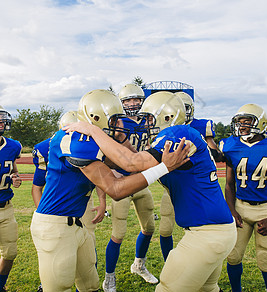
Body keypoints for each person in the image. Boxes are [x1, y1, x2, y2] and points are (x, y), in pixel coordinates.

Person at [63, 91, 237, 292]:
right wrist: (119, 140)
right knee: (208, 289)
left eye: (148, 119)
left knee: (167, 288)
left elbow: (132, 163)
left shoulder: (178, 133)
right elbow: (137, 161)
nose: (144, 124)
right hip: (214, 229)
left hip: (208, 233)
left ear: (167, 117)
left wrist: (93, 131)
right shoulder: (179, 135)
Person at [30, 89, 189, 292]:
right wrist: (163, 167)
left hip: (77, 224)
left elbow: (132, 163)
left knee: (90, 285)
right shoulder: (78, 140)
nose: (120, 124)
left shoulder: (92, 140)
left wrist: (121, 137)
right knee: (58, 288)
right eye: (115, 120)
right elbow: (116, 188)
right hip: (55, 225)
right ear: (95, 118)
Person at [219, 103, 267, 292]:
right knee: (233, 256)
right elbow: (229, 185)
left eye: (247, 121)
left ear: (261, 123)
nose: (242, 126)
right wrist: (232, 210)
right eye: (239, 122)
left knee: (266, 259)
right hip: (241, 207)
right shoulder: (231, 146)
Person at [31, 110, 106, 292]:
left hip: (78, 215)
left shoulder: (92, 145)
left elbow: (103, 175)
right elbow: (37, 187)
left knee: (90, 280)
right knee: (59, 282)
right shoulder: (50, 146)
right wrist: (49, 219)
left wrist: (102, 200)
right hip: (57, 215)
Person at [102, 84, 157, 292]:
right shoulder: (115, 122)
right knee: (118, 233)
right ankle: (109, 277)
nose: (132, 104)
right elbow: (106, 155)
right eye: (127, 101)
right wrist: (116, 170)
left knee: (149, 227)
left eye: (135, 100)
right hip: (123, 181)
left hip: (141, 181)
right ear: (121, 103)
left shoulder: (149, 121)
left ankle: (139, 265)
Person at [158, 91, 223, 261]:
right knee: (165, 230)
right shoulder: (163, 128)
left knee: (196, 228)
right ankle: (168, 262)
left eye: (185, 108)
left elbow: (214, 152)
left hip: (195, 186)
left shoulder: (199, 126)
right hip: (173, 186)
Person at [0, 106, 22, 292]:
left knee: (10, 253)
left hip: (6, 208)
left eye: (1, 118)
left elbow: (14, 170)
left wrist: (16, 178)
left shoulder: (13, 146)